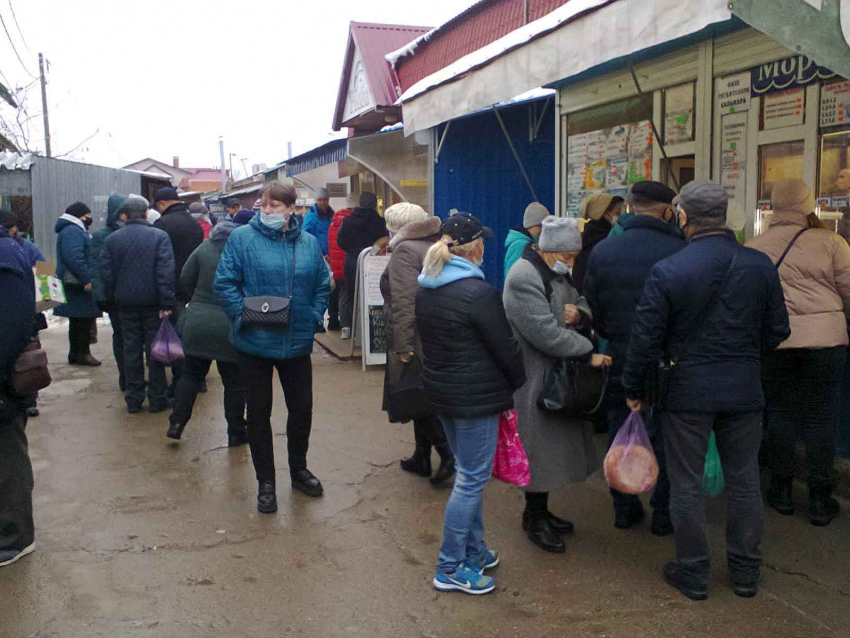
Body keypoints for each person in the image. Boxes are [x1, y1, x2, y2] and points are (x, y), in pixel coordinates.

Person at [622, 182, 790, 601]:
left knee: (686, 484)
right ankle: (745, 573)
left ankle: (694, 572)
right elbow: (778, 330)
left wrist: (632, 386)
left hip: (687, 393)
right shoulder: (759, 265)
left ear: (683, 216)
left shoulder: (670, 269)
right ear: (724, 214)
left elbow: (645, 337)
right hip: (743, 390)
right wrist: (744, 357)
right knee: (745, 480)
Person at [415, 212, 526, 596]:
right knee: (471, 479)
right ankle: (449, 567)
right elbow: (505, 348)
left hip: (443, 393)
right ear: (475, 247)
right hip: (475, 398)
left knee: (467, 474)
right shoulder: (478, 293)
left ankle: (475, 551)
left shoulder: (427, 286)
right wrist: (517, 383)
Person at [215, 182, 330, 512]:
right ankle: (266, 481)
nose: (267, 210)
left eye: (275, 206)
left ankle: (298, 470)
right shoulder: (241, 239)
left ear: (291, 209)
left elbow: (323, 282)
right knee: (259, 413)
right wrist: (243, 315)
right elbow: (224, 283)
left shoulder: (308, 244)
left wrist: (311, 315)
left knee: (302, 409)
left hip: (296, 343)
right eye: (263, 204)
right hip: (253, 342)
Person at [504, 216, 611, 554]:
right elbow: (543, 333)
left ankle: (541, 511)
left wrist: (579, 316)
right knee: (537, 452)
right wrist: (587, 352)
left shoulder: (553, 271)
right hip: (535, 379)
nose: (571, 263)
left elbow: (580, 302)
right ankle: (533, 519)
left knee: (549, 453)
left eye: (574, 257)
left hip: (554, 376)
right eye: (567, 257)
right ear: (547, 250)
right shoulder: (523, 276)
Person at [583, 181, 685, 535]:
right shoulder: (681, 249)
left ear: (630, 207)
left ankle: (624, 507)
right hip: (669, 358)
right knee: (668, 434)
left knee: (621, 429)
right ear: (667, 210)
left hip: (619, 352)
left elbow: (592, 306)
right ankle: (663, 513)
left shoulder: (604, 252)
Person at [746, 179, 850, 527]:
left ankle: (780, 491)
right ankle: (820, 499)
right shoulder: (832, 242)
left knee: (781, 415)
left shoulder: (754, 246)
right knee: (820, 417)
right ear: (809, 205)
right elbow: (848, 290)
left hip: (777, 343)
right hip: (826, 343)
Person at [380, 202, 454, 486]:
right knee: (420, 396)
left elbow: (404, 302)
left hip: (413, 336)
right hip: (434, 331)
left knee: (416, 397)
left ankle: (446, 454)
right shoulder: (434, 244)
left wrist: (403, 345)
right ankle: (421, 456)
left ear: (398, 228)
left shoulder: (404, 251)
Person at [167, 214, 248, 447]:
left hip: (198, 322)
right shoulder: (243, 252)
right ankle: (236, 432)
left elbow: (184, 278)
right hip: (230, 323)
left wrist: (198, 299)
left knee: (190, 375)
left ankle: (177, 423)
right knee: (234, 382)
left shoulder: (204, 248)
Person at [101, 196, 176, 414]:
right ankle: (157, 398)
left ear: (124, 216)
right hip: (153, 303)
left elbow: (106, 273)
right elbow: (165, 273)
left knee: (130, 349)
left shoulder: (112, 239)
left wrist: (116, 293)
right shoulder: (160, 237)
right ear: (145, 213)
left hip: (125, 303)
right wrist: (166, 302)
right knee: (156, 350)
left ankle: (133, 399)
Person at [0, 225, 37, 568]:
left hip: (3, 380)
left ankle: (15, 537)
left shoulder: (6, 257)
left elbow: (14, 324)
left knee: (8, 454)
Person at [152, 187, 203, 396]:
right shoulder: (194, 223)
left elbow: (159, 260)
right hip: (193, 286)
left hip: (171, 286)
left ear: (162, 203)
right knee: (193, 335)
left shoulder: (162, 225)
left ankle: (180, 382)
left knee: (175, 336)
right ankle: (198, 379)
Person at [0, 211, 45, 418]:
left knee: (27, 359)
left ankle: (30, 397)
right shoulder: (19, 247)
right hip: (24, 310)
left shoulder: (25, 247)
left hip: (27, 311)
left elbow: (45, 270)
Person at [53, 202, 102, 366]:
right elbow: (74, 258)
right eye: (87, 215)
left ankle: (76, 353)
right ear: (80, 216)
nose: (89, 218)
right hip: (77, 284)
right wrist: (87, 278)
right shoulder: (73, 231)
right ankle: (82, 353)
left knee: (78, 319)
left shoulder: (73, 230)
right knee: (82, 319)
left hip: (76, 283)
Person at [336, 192, 388, 339]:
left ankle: (354, 332)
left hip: (352, 262)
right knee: (374, 297)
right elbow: (384, 242)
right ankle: (370, 334)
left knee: (352, 297)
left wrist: (353, 251)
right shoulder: (380, 222)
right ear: (373, 204)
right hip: (375, 263)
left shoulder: (348, 221)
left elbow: (340, 242)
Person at [91, 195, 128, 392]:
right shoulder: (101, 236)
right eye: (122, 212)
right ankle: (125, 376)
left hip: (132, 295)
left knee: (131, 338)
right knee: (121, 336)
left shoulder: (133, 231)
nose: (125, 216)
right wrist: (100, 296)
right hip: (113, 296)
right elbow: (96, 269)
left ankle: (132, 376)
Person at [572, 194, 623, 292]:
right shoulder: (601, 239)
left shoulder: (586, 236)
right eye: (617, 213)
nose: (619, 217)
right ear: (604, 213)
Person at [327, 195, 354, 331]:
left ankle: (344, 328)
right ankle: (350, 326)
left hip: (336, 267)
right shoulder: (352, 223)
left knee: (341, 295)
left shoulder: (333, 224)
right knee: (350, 296)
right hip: (348, 265)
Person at [503, 202, 548, 280]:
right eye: (540, 226)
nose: (543, 230)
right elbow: (513, 278)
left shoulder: (532, 243)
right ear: (530, 226)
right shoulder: (519, 245)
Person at [302, 187, 333, 256]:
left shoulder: (332, 216)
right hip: (317, 254)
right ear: (316, 201)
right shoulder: (311, 216)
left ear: (328, 200)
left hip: (331, 255)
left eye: (325, 199)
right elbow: (304, 237)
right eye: (319, 200)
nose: (322, 202)